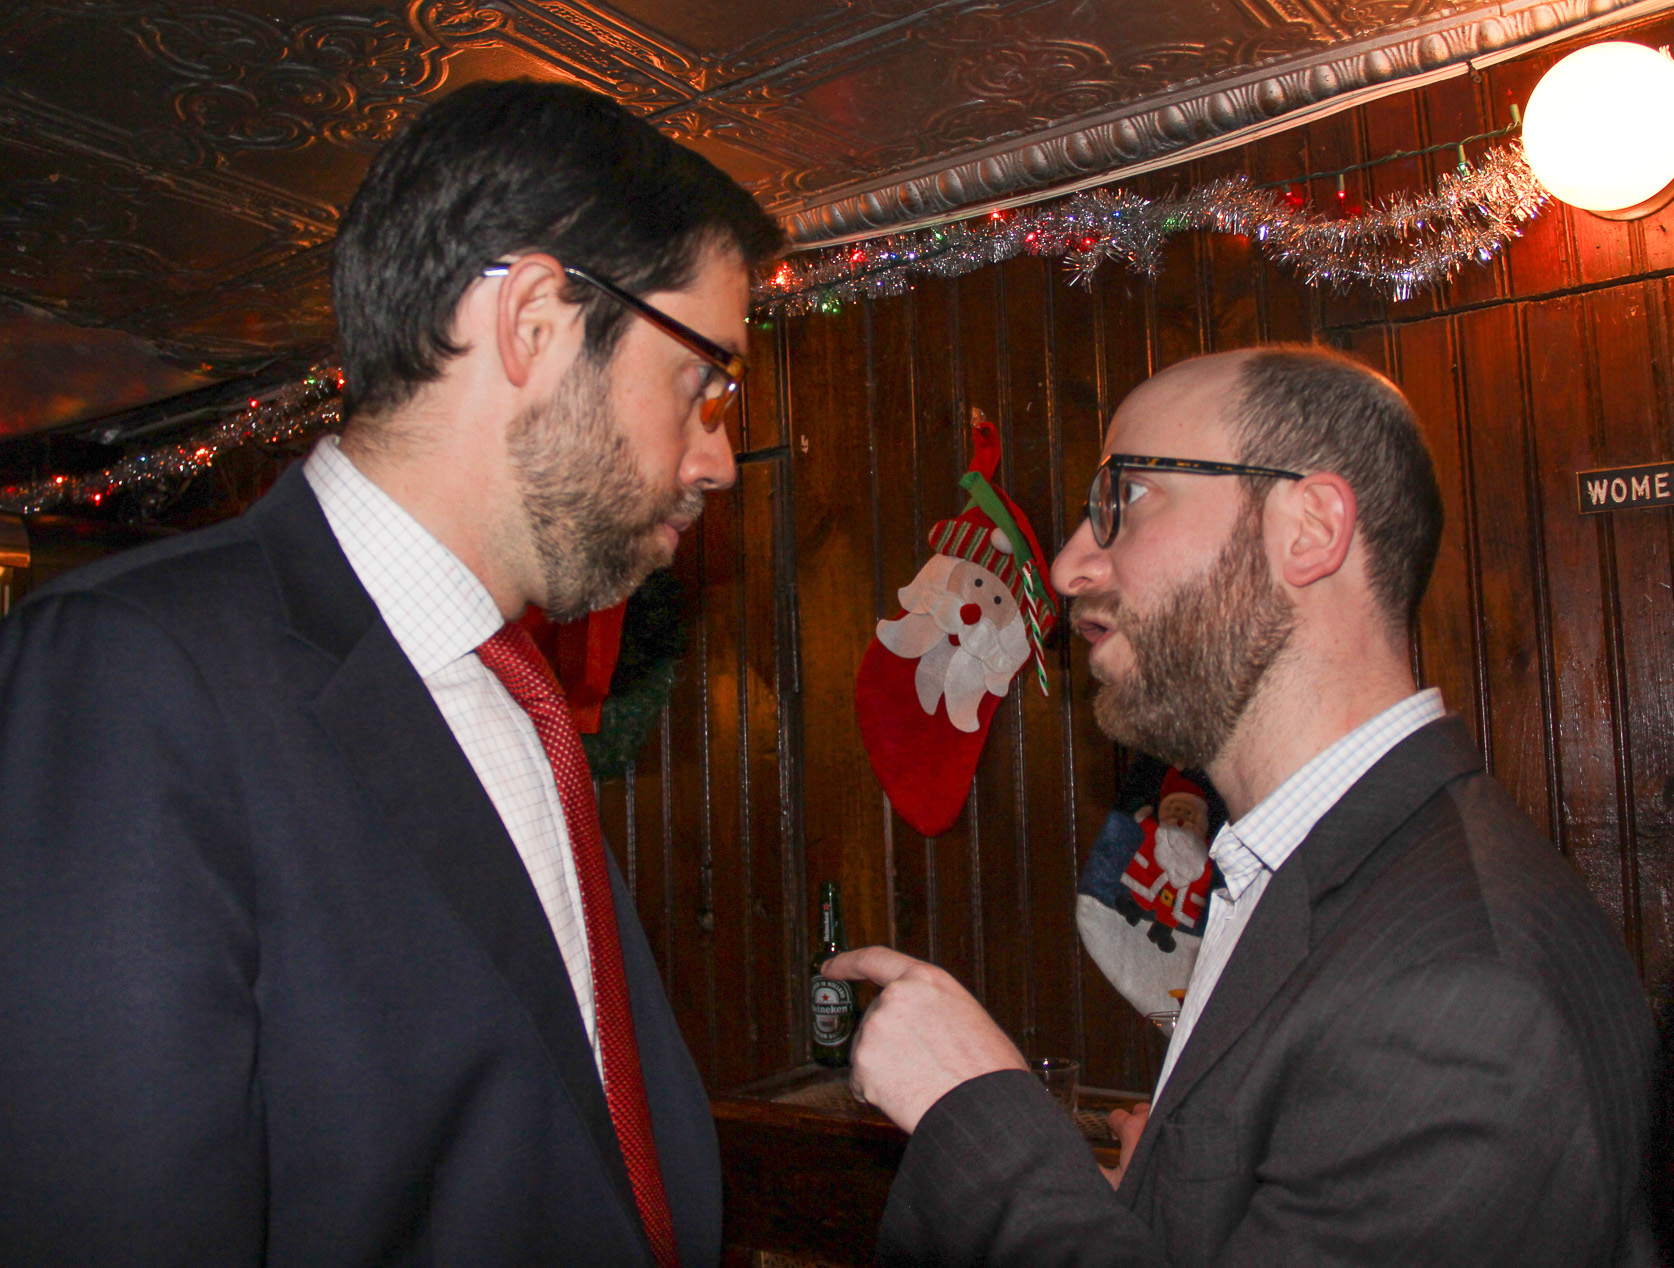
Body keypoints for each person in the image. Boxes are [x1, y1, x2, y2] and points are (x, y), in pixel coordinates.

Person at [0, 82, 781, 1266]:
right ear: (533, 321)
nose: (720, 454)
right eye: (704, 380)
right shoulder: (135, 668)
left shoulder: (518, 697)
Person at [825, 345, 1661, 1267]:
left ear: (1308, 528)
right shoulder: (1315, 868)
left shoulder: (1460, 995)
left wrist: (972, 1110)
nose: (1067, 567)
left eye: (1125, 499)